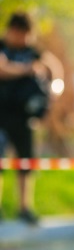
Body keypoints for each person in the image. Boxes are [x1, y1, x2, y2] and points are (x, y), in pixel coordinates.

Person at [0, 12, 48, 224]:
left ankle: (25, 207)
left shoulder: (32, 51)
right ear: (14, 31)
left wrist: (53, 91)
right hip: (1, 114)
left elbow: (50, 66)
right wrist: (28, 69)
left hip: (24, 116)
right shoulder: (2, 46)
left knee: (26, 162)